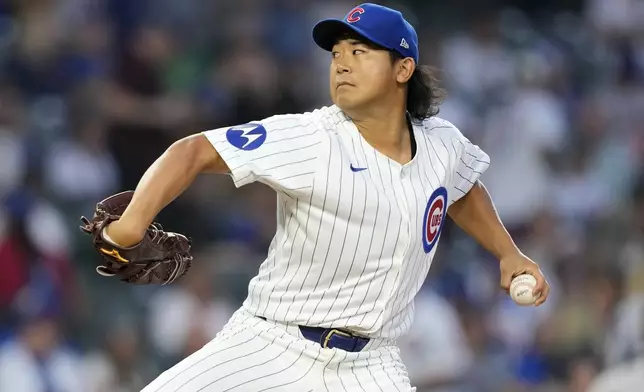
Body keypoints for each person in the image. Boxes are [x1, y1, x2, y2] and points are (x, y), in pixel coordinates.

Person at [101, 3, 550, 391]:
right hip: (270, 345)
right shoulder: (310, 138)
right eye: (337, 54)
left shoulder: (442, 143)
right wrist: (130, 224)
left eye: (360, 51)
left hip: (371, 364)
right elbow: (192, 150)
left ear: (403, 69)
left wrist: (508, 254)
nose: (342, 64)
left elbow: (463, 189)